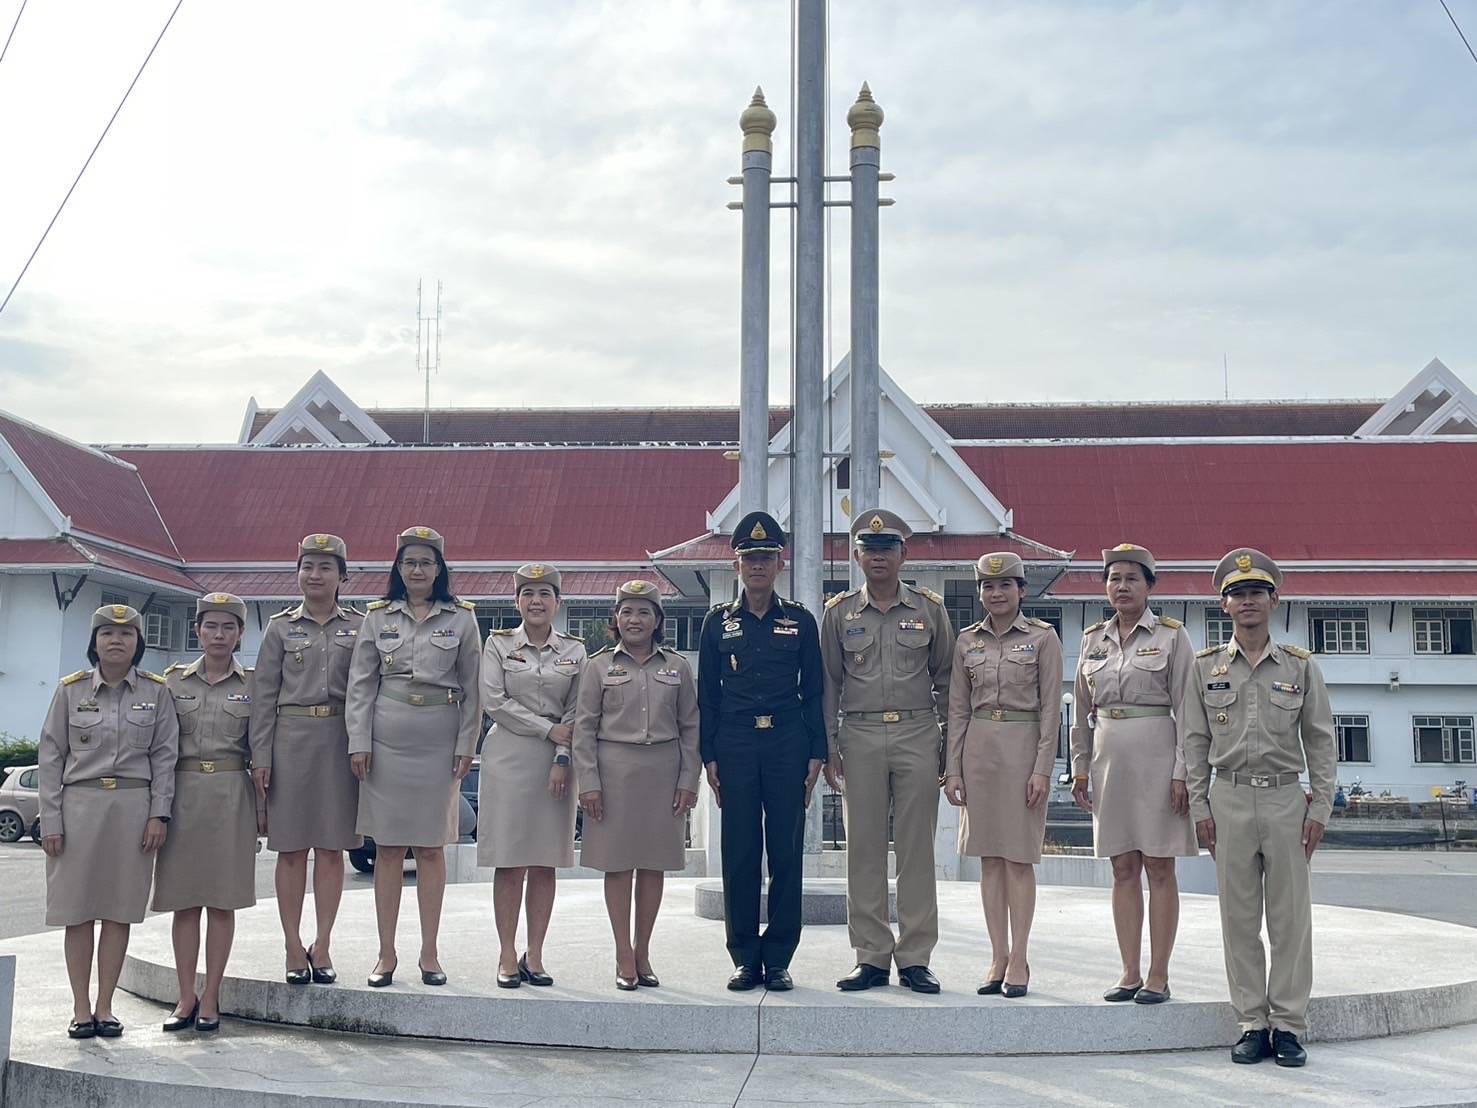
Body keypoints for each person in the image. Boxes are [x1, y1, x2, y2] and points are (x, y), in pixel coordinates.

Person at [1182, 548, 1336, 1068]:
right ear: (1224, 606)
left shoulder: (1299, 666)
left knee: (1291, 917)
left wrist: (1320, 812)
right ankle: (1252, 1021)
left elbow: (1321, 741)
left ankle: (1289, 1025)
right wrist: (1200, 806)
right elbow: (1194, 742)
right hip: (1227, 797)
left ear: (1274, 599)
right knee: (1239, 916)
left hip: (1285, 797)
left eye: (1256, 592)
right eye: (1236, 594)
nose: (1246, 601)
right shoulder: (1206, 668)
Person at [820, 508, 953, 994]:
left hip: (918, 732)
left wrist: (947, 744)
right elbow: (829, 684)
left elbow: (947, 681)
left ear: (904, 554)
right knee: (864, 850)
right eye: (869, 550)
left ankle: (915, 956)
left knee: (917, 849)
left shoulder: (928, 609)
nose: (878, 557)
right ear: (857, 557)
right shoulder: (838, 614)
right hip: (859, 735)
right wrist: (830, 744)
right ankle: (871, 956)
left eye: (887, 549)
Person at [346, 525, 481, 988]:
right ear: (397, 569)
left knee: (430, 848)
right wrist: (358, 741)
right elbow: (361, 684)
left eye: (426, 562)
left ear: (440, 569)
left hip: (439, 742)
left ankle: (429, 953)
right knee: (386, 848)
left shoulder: (461, 618)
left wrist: (467, 744)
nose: (417, 570)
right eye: (409, 562)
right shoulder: (377, 616)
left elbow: (473, 689)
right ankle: (385, 953)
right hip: (386, 739)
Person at [698, 511, 826, 992]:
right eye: (749, 558)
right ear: (736, 566)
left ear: (780, 563)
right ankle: (744, 956)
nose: (757, 566)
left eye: (766, 558)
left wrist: (817, 752)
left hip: (787, 744)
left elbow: (813, 690)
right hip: (734, 744)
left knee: (787, 853)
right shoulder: (717, 623)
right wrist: (707, 755)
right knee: (740, 852)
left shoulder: (799, 620)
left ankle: (779, 958)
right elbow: (706, 694)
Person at [37, 604, 178, 1039]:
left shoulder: (156, 692)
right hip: (79, 808)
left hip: (133, 810)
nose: (117, 641)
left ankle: (105, 1006)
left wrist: (159, 813)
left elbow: (164, 757)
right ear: (93, 643)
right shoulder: (69, 691)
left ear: (138, 643)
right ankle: (80, 1008)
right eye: (107, 634)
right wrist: (52, 820)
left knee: (119, 913)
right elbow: (50, 757)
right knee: (76, 913)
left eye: (127, 634)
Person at [1069, 544, 1198, 1006]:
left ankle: (1159, 975)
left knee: (1159, 865)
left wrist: (1183, 773)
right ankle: (1128, 972)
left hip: (1158, 761)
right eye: (1114, 578)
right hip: (1109, 762)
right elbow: (1081, 712)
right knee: (1122, 867)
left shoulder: (1171, 637)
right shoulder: (1092, 641)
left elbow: (1188, 709)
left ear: (1149, 586)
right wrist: (1079, 768)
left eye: (1131, 579)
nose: (1121, 587)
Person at [943, 552, 1062, 999]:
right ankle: (997, 954)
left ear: (1021, 591)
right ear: (980, 593)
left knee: (1018, 858)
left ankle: (1020, 956)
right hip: (979, 747)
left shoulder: (1042, 639)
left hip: (1022, 745)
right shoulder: (966, 643)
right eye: (988, 587)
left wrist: (1042, 769)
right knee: (989, 858)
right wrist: (952, 768)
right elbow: (956, 708)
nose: (996, 594)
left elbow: (1052, 709)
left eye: (1005, 586)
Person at [572, 580, 700, 991]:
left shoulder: (677, 667)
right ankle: (622, 952)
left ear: (658, 620)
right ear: (616, 619)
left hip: (664, 773)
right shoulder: (597, 667)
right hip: (614, 774)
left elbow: (691, 728)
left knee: (653, 865)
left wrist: (688, 780)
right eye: (627, 611)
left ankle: (643, 949)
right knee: (618, 864)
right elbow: (583, 729)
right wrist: (588, 783)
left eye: (644, 612)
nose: (634, 619)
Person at [249, 533, 363, 986]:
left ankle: (324, 942)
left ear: (342, 577)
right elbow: (263, 699)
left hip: (339, 741)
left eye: (325, 567)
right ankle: (293, 944)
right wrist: (261, 756)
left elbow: (365, 692)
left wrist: (363, 746)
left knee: (332, 850)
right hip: (290, 742)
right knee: (291, 850)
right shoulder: (279, 627)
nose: (314, 575)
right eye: (307, 567)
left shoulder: (359, 627)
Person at [154, 593, 264, 1034]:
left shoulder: (254, 685)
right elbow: (160, 752)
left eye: (228, 628)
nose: (219, 635)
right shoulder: (171, 683)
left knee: (222, 902)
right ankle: (185, 995)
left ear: (240, 635)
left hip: (232, 794)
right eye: (211, 626)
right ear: (196, 630)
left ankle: (212, 995)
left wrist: (261, 812)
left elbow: (263, 753)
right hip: (182, 795)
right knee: (184, 902)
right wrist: (158, 810)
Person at [479, 562, 586, 988]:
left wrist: (562, 754)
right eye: (528, 594)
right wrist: (547, 728)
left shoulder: (575, 651)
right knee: (510, 862)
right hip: (509, 755)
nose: (536, 601)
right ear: (516, 601)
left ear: (558, 602)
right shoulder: (499, 644)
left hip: (557, 761)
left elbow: (579, 709)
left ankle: (535, 953)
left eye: (545, 594)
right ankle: (506, 953)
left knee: (546, 862)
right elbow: (494, 701)